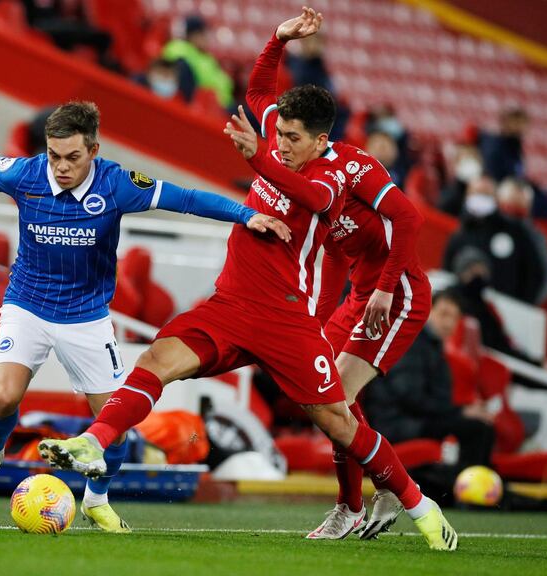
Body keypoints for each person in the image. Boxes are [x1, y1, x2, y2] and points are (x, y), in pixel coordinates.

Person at [39, 9, 457, 551]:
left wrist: (259, 156)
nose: (278, 141)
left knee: (336, 418)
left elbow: (320, 200)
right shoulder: (280, 140)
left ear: (320, 141)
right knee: (155, 361)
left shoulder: (333, 174)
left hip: (286, 315)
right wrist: (276, 39)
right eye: (276, 133)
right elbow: (261, 89)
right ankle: (95, 442)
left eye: (289, 137)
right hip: (232, 303)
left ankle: (416, 503)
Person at [0, 101, 288, 532]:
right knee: (4, 397)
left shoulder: (118, 185)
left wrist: (247, 214)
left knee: (115, 422)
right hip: (27, 306)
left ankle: (96, 500)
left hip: (87, 318)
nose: (61, 167)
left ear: (93, 150)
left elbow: (185, 199)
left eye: (72, 157)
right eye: (54, 155)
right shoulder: (26, 174)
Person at [364, 289, 496, 471]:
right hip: (396, 423)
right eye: (444, 314)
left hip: (413, 419)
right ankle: (468, 490)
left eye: (455, 318)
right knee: (478, 430)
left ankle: (471, 484)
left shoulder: (432, 346)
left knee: (480, 426)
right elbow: (410, 396)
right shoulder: (412, 342)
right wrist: (460, 412)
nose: (449, 323)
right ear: (429, 311)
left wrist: (462, 411)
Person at [443, 175, 547, 304]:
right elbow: (447, 272)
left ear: (496, 198)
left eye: (486, 194)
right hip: (465, 306)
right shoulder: (460, 235)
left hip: (509, 312)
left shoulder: (516, 231)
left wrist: (524, 305)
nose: (480, 198)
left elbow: (539, 274)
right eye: (476, 193)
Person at [162, 15, 235, 109]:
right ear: (194, 35)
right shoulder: (181, 52)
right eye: (204, 34)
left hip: (221, 105)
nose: (207, 38)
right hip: (211, 109)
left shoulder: (204, 55)